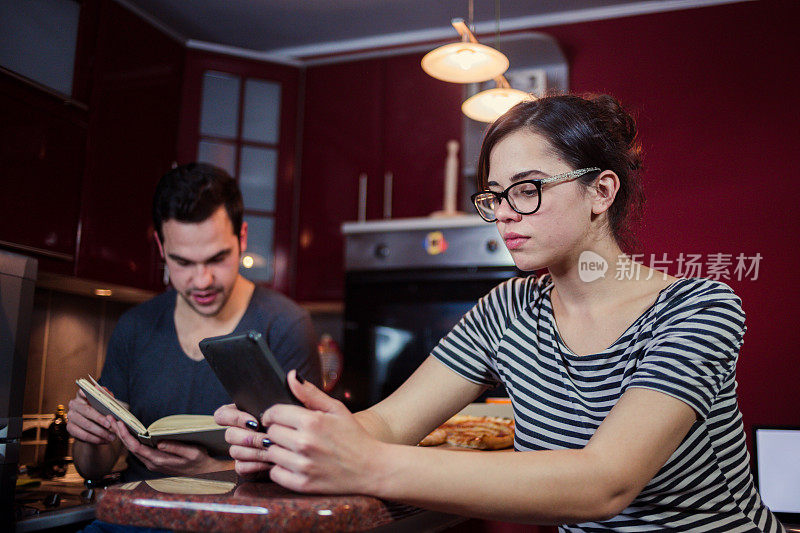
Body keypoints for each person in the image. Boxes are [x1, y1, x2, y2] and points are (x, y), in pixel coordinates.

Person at [215, 94, 784, 532]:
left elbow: (605, 482)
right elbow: (387, 423)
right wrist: (296, 437)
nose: (506, 214)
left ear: (601, 191)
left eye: (528, 189)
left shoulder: (698, 308)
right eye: (494, 196)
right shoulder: (508, 310)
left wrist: (366, 465)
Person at [67, 162, 321, 482]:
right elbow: (94, 467)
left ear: (241, 238)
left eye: (217, 258)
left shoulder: (285, 326)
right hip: (132, 518)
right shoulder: (135, 327)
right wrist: (89, 437)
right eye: (183, 262)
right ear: (162, 248)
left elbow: (308, 463)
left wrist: (209, 471)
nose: (202, 281)